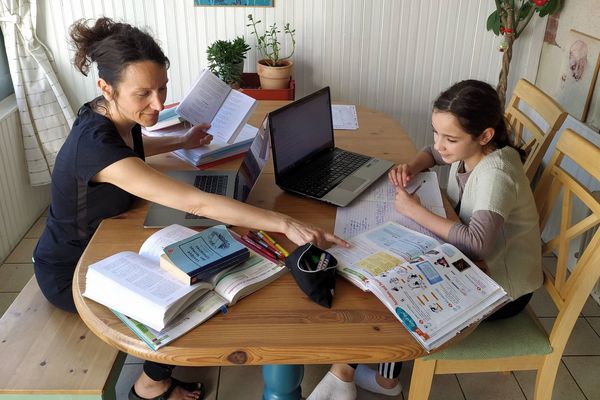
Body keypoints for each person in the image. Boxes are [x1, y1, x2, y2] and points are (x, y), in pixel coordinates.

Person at [32, 18, 348, 400]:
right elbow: (194, 201)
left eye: (163, 88)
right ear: (106, 88)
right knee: (200, 284)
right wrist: (284, 222)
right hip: (73, 271)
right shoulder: (94, 145)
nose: (158, 104)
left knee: (205, 257)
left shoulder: (110, 112)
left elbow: (133, 147)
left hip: (105, 241)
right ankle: (149, 385)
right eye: (144, 94)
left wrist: (180, 138)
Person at [308, 79, 543, 400]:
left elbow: (476, 244)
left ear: (485, 135)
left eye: (450, 138)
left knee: (400, 287)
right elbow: (434, 154)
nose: (440, 143)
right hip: (480, 266)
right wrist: (412, 165)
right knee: (386, 272)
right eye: (436, 132)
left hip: (503, 290)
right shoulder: (474, 148)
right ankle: (358, 371)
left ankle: (357, 374)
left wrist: (415, 211)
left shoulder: (496, 175)